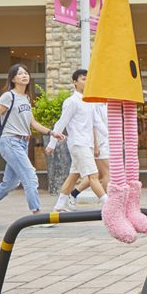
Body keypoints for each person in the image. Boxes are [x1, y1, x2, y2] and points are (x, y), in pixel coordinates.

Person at [0, 64, 64, 226]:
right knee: (30, 176)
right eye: (20, 74)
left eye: (26, 73)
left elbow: (32, 122)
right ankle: (37, 216)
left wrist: (51, 132)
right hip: (10, 141)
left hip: (23, 143)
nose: (24, 75)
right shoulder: (8, 96)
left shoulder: (26, 98)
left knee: (10, 183)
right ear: (13, 79)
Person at [46, 69, 108, 212]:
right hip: (78, 144)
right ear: (75, 82)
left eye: (88, 79)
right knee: (93, 176)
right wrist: (52, 144)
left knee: (74, 176)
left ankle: (59, 206)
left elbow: (97, 123)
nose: (86, 82)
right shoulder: (71, 102)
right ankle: (109, 205)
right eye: (83, 79)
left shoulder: (89, 102)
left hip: (87, 144)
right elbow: (61, 123)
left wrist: (115, 139)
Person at [67, 101, 110, 209]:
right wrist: (95, 145)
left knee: (97, 175)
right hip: (99, 143)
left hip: (107, 142)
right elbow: (93, 126)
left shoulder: (107, 103)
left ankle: (73, 194)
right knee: (108, 173)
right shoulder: (95, 104)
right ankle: (109, 202)